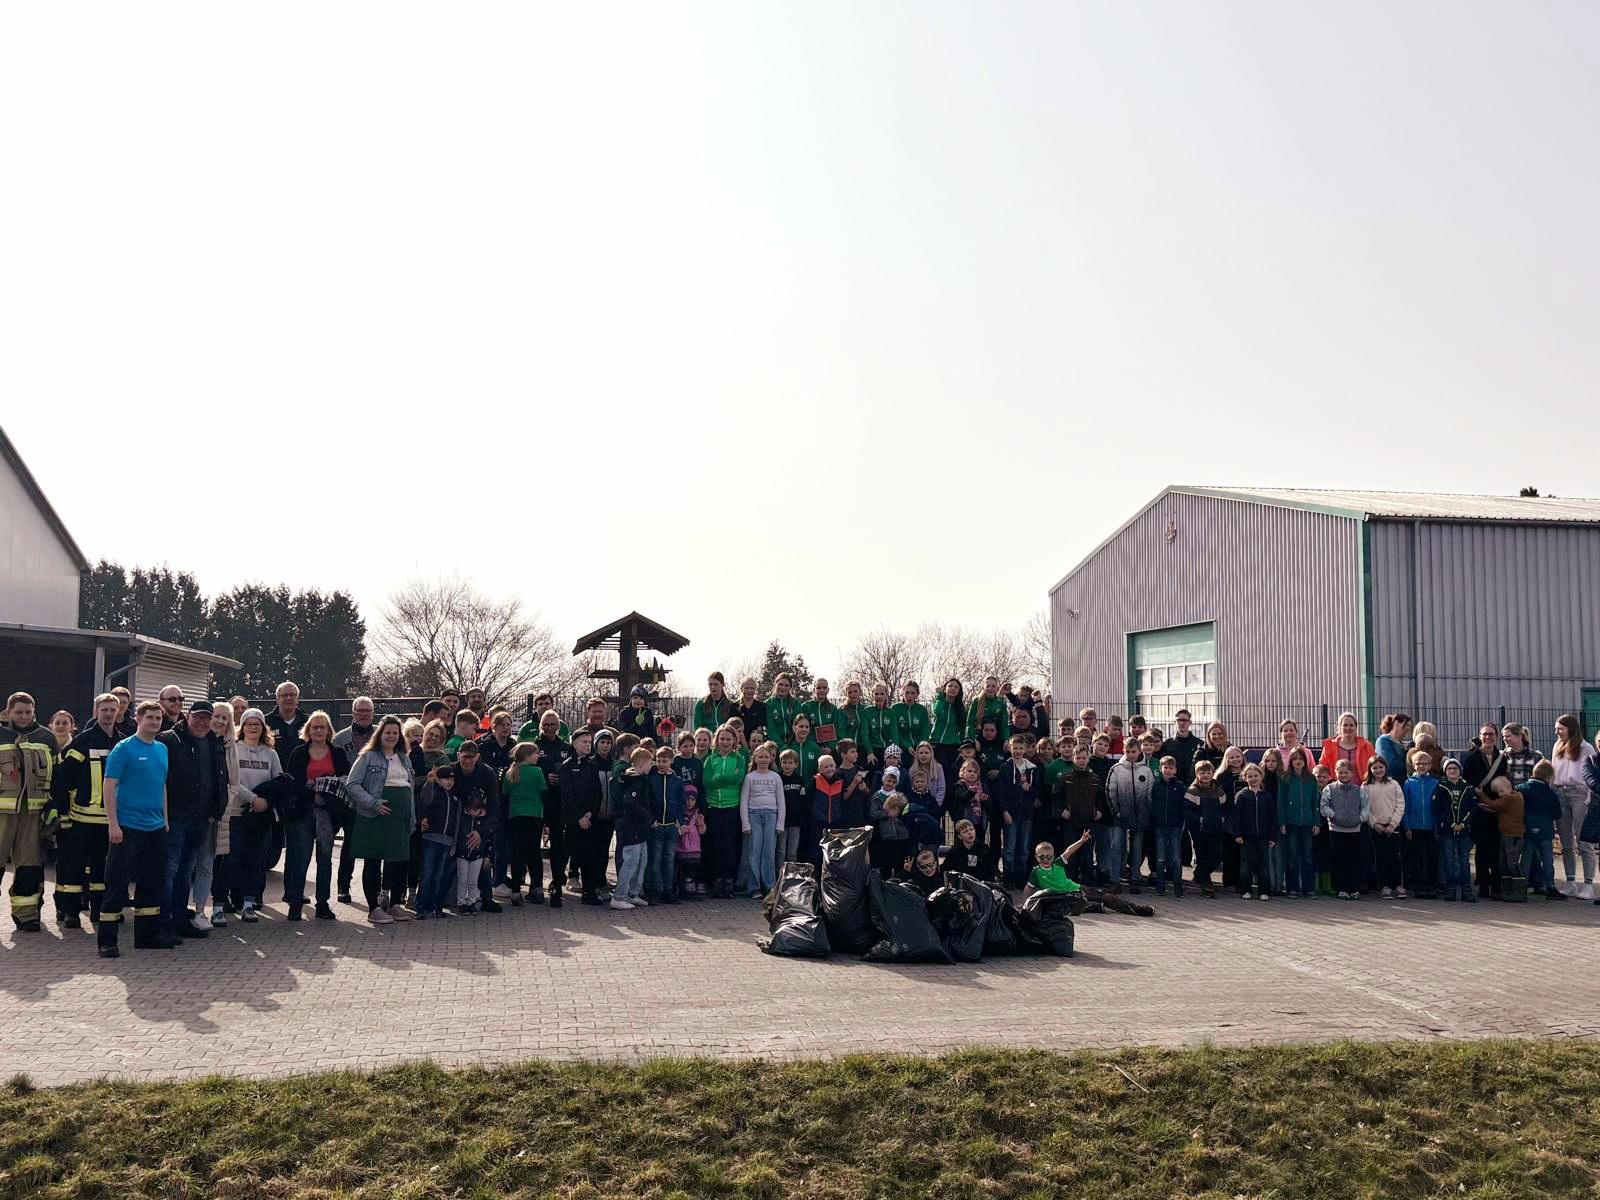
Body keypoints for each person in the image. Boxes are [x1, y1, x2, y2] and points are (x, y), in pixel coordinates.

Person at [98, 701, 171, 956]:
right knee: (117, 883)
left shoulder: (162, 749)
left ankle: (147, 936)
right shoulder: (124, 748)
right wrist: (113, 823)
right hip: (127, 827)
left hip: (155, 828)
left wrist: (165, 818)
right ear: (138, 719)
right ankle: (107, 941)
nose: (155, 722)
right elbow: (109, 786)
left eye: (158, 718)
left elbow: (162, 784)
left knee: (151, 882)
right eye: (150, 717)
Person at [48, 692, 123, 930]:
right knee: (75, 865)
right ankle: (71, 912)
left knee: (103, 868)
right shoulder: (82, 742)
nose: (108, 714)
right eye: (104, 710)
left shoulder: (122, 743)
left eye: (112, 710)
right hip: (81, 818)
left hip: (109, 819)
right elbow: (62, 780)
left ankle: (99, 909)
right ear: (95, 712)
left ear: (118, 712)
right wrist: (63, 814)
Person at [158, 702, 228, 939]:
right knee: (169, 870)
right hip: (175, 817)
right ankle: (164, 921)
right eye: (197, 717)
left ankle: (180, 918)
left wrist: (215, 811)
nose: (202, 722)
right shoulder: (170, 740)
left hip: (201, 819)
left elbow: (221, 777)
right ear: (187, 716)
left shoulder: (214, 742)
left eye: (206, 718)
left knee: (186, 870)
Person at [344, 716, 416, 925]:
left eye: (395, 733)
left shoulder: (404, 758)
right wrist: (373, 803)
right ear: (380, 734)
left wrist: (411, 817)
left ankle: (395, 904)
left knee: (398, 861)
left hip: (400, 817)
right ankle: (373, 908)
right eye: (387, 732)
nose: (391, 736)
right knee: (373, 860)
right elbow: (352, 784)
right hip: (375, 816)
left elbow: (410, 789)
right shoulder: (367, 756)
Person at [1, 692, 58, 932]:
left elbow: (57, 775)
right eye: (19, 712)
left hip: (33, 812)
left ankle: (26, 915)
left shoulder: (46, 737)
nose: (24, 716)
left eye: (28, 712)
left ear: (34, 712)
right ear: (8, 712)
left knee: (29, 866)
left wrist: (54, 806)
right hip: (2, 812)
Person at [283, 711, 348, 921]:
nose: (319, 730)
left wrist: (323, 789)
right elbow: (292, 783)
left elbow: (345, 779)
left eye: (322, 727)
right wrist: (314, 791)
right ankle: (295, 903)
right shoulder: (299, 753)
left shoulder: (337, 753)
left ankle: (322, 904)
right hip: (302, 810)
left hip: (327, 813)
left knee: (325, 858)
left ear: (329, 731)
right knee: (301, 857)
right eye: (315, 727)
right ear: (308, 730)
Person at [229, 709, 281, 922]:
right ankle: (234, 898)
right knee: (235, 857)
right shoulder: (233, 749)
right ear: (242, 727)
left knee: (255, 859)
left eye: (257, 724)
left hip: (261, 816)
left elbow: (278, 781)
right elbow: (232, 781)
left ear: (263, 727)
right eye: (249, 723)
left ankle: (249, 904)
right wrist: (252, 799)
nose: (253, 727)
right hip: (237, 813)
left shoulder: (271, 753)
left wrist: (266, 802)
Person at [194, 701, 239, 929]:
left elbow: (234, 784)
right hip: (190, 815)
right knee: (185, 866)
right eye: (216, 716)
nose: (220, 721)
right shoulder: (195, 741)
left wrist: (220, 809)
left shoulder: (230, 746)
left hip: (215, 817)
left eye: (224, 718)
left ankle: (200, 911)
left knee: (206, 864)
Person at [558, 729, 610, 905]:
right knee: (566, 854)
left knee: (590, 856)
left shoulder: (592, 766)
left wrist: (589, 813)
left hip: (589, 819)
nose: (588, 745)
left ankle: (589, 891)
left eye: (589, 742)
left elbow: (597, 792)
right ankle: (557, 886)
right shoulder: (566, 766)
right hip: (572, 820)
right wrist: (579, 816)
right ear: (574, 744)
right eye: (584, 742)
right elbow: (567, 795)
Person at [1550, 714, 1596, 896]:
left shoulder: (1586, 748)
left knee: (1583, 840)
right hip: (1560, 793)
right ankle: (1570, 882)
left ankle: (1588, 884)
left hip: (1579, 794)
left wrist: (1589, 796)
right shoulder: (1557, 746)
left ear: (1571, 728)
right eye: (1556, 729)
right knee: (1565, 841)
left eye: (1560, 728)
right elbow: (1553, 771)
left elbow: (1591, 771)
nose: (1557, 732)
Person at [1105, 737, 1153, 893]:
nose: (1131, 754)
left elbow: (1150, 794)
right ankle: (1114, 880)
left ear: (1139, 751)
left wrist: (1146, 813)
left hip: (1140, 818)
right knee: (1116, 847)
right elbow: (1110, 792)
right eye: (1128, 751)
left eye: (1134, 751)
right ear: (1123, 751)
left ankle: (1135, 879)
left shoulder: (1146, 771)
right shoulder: (1116, 769)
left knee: (1137, 849)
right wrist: (1116, 811)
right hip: (1120, 816)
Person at [1461, 723, 1503, 900]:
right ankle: (1484, 885)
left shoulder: (1502, 758)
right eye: (1484, 734)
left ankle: (1497, 885)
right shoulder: (1471, 758)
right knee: (1482, 849)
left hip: (1497, 808)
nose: (1488, 737)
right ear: (1480, 736)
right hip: (1479, 809)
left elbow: (1505, 781)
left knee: (1496, 849)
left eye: (1491, 734)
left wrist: (1498, 803)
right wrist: (1477, 800)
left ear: (1496, 736)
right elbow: (1466, 782)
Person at [608, 747, 654, 909]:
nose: (652, 765)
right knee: (630, 861)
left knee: (641, 860)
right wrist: (648, 817)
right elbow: (630, 803)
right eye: (650, 762)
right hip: (631, 826)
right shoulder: (634, 781)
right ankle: (619, 896)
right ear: (641, 763)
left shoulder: (640, 780)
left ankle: (632, 893)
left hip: (639, 827)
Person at [414, 763, 461, 918]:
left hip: (447, 841)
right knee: (427, 873)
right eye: (446, 779)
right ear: (439, 780)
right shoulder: (434, 792)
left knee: (438, 875)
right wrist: (430, 782)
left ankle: (435, 906)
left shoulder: (455, 798)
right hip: (431, 839)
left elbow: (457, 822)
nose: (449, 782)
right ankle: (421, 907)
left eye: (452, 780)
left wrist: (454, 843)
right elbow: (425, 799)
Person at [738, 742, 784, 899]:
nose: (763, 759)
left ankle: (769, 887)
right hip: (754, 815)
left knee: (769, 852)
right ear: (755, 758)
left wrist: (780, 823)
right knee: (754, 852)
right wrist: (745, 823)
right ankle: (754, 887)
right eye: (760, 757)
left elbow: (781, 801)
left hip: (771, 815)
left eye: (766, 757)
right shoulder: (749, 777)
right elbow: (744, 800)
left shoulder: (775, 777)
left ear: (771, 759)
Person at [993, 735, 1040, 888]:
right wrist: (1005, 811)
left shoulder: (1032, 768)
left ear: (1025, 749)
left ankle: (1021, 879)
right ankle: (1008, 878)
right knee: (1009, 848)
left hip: (1027, 815)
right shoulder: (1005, 767)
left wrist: (1029, 789)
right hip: (1011, 814)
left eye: (1021, 748)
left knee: (1024, 849)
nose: (1018, 751)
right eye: (1015, 748)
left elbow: (1037, 791)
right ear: (1010, 748)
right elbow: (1000, 792)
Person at [1321, 759, 1370, 899]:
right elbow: (1324, 806)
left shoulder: (1359, 790)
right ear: (1335, 773)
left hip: (1354, 830)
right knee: (1338, 860)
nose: (1343, 775)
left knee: (1354, 860)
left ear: (1352, 773)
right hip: (1336, 830)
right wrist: (1333, 815)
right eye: (1340, 772)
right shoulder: (1329, 789)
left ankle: (1354, 888)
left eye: (1346, 772)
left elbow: (1365, 807)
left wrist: (1360, 818)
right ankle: (1341, 889)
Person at [643, 745, 684, 904]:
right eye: (658, 760)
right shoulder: (652, 780)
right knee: (655, 859)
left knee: (669, 859)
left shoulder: (677, 781)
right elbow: (648, 802)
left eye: (664, 761)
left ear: (671, 761)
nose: (661, 764)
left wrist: (680, 821)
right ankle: (655, 890)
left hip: (671, 826)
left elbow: (681, 803)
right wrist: (652, 820)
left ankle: (669, 891)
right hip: (657, 826)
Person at [1277, 747, 1320, 899]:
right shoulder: (1285, 778)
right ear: (1290, 761)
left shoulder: (1311, 779)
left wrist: (1316, 822)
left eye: (1300, 759)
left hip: (1308, 823)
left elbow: (1315, 801)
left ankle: (1309, 889)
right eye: (1295, 759)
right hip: (1291, 822)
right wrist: (1282, 822)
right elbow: (1281, 802)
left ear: (1305, 761)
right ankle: (1292, 888)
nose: (1298, 761)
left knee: (1307, 857)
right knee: (1293, 856)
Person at [1231, 762, 1276, 901]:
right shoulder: (1241, 795)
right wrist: (1237, 834)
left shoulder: (1267, 796)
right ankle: (1245, 890)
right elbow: (1236, 816)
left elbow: (1272, 818)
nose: (1253, 779)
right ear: (1245, 778)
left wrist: (1272, 836)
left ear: (1261, 776)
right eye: (1250, 776)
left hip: (1263, 835)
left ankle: (1264, 891)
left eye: (1256, 775)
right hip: (1246, 836)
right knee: (1246, 864)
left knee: (1264, 864)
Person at [1519, 761, 1564, 899]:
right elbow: (1557, 814)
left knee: (1526, 859)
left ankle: (1521, 886)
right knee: (1547, 859)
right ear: (1548, 777)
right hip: (1545, 830)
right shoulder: (1550, 793)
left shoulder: (1521, 788)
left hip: (1527, 829)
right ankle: (1550, 886)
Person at [1436, 757, 1478, 903]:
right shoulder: (1441, 787)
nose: (1452, 771)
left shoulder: (1467, 787)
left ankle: (1467, 891)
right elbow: (1439, 809)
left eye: (1455, 768)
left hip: (1464, 831)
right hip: (1447, 830)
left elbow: (1473, 808)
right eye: (1449, 768)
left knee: (1464, 860)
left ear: (1460, 771)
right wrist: (1451, 824)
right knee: (1449, 860)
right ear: (1445, 771)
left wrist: (1463, 824)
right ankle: (1451, 890)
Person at [1401, 750, 1441, 899]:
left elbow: (1438, 807)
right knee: (1416, 857)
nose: (1422, 766)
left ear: (1430, 765)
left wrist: (1438, 825)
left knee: (1432, 857)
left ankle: (1432, 886)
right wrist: (1407, 826)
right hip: (1415, 826)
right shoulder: (1408, 783)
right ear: (1413, 765)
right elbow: (1406, 806)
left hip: (1431, 826)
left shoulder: (1435, 783)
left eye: (1425, 763)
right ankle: (1418, 886)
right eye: (1418, 763)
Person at [1364, 756, 1405, 898]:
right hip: (1376, 828)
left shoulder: (1394, 784)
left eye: (1381, 767)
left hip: (1393, 827)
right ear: (1370, 769)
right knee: (1380, 858)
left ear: (1386, 768)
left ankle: (1397, 885)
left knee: (1395, 857)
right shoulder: (1366, 786)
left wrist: (1393, 824)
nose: (1378, 770)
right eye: (1374, 768)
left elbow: (1400, 804)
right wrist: (1375, 824)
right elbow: (1365, 808)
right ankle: (1384, 886)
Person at [1478, 776, 1525, 899]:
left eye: (1501, 791)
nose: (1500, 795)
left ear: (1509, 787)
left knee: (1512, 863)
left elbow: (1493, 804)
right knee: (1504, 863)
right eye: (1498, 792)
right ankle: (1507, 890)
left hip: (1513, 835)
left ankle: (1519, 892)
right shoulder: (1515, 797)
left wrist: (1481, 794)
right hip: (1507, 834)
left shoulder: (1510, 798)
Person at [1149, 755, 1187, 898]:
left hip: (1175, 825)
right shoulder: (1156, 786)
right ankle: (1160, 886)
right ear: (1160, 769)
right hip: (1160, 826)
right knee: (1160, 858)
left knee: (1176, 858)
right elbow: (1151, 803)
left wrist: (1182, 821)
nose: (1168, 770)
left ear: (1175, 770)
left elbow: (1184, 806)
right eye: (1165, 767)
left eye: (1171, 768)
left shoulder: (1180, 786)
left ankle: (1178, 887)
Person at [868, 766, 910, 879]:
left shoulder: (899, 796)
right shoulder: (876, 796)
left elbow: (904, 812)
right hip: (883, 835)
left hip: (899, 835)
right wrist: (887, 813)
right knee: (884, 864)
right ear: (883, 779)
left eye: (893, 782)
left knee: (898, 863)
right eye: (888, 780)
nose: (890, 783)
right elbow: (873, 813)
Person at [1027, 833, 1091, 897]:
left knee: (1092, 894)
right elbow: (1028, 887)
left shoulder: (1058, 863)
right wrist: (1024, 902)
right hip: (1055, 895)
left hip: (1073, 889)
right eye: (1042, 857)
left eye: (1049, 857)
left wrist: (1081, 840)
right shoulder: (1036, 871)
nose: (1045, 860)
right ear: (1036, 857)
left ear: (1053, 857)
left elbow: (1069, 850)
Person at [1319, 712, 1377, 783]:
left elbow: (1374, 765)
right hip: (1336, 787)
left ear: (1356, 727)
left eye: (1351, 725)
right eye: (1345, 725)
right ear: (1340, 727)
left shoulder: (1367, 746)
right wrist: (1331, 782)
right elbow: (1323, 768)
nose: (1348, 728)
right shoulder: (1329, 746)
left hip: (1361, 787)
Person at [1159, 710, 1203, 783]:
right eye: (1179, 720)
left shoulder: (1199, 743)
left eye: (1185, 720)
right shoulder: (1167, 744)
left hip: (1194, 784)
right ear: (1175, 722)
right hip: (1173, 784)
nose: (1182, 723)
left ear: (1190, 722)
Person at [800, 679, 841, 750]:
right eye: (818, 688)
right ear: (814, 690)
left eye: (824, 688)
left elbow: (837, 729)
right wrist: (814, 746)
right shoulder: (805, 707)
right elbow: (804, 729)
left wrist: (830, 746)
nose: (822, 690)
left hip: (829, 748)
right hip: (811, 746)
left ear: (828, 690)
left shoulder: (833, 709)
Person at [1375, 713, 1413, 781]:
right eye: (1407, 725)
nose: (1409, 729)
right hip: (1390, 782)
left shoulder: (1402, 744)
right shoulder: (1383, 741)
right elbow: (1390, 764)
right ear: (1396, 723)